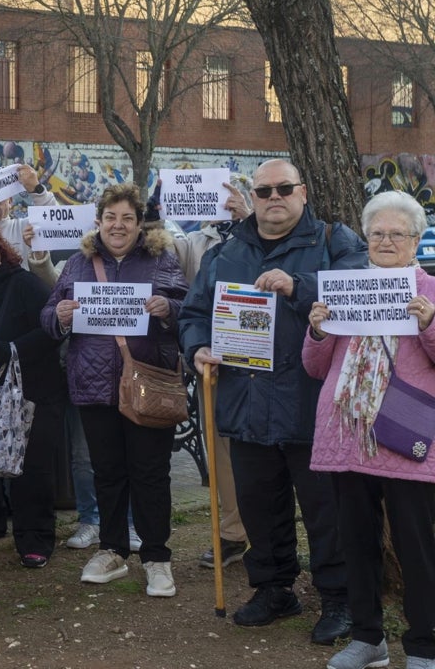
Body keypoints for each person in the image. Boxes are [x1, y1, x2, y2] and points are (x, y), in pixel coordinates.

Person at [180, 158, 366, 644]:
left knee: (328, 512)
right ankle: (273, 588)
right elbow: (195, 312)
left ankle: (339, 599)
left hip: (314, 405)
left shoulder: (334, 241)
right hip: (246, 404)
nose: (274, 198)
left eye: (284, 188)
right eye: (264, 191)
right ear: (254, 198)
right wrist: (197, 345)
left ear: (302, 193)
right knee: (260, 507)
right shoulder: (226, 252)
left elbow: (359, 295)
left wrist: (299, 287)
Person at [304, 191, 435, 669]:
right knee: (355, 543)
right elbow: (316, 367)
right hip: (347, 434)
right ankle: (368, 639)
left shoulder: (431, 292)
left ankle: (423, 645)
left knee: (416, 547)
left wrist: (430, 323)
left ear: (416, 240)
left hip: (405, 436)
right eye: (376, 233)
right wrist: (317, 330)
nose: (385, 240)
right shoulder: (346, 287)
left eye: (395, 233)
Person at [41, 183, 187, 597]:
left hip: (146, 384)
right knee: (107, 473)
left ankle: (157, 557)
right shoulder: (77, 264)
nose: (118, 226)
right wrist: (62, 315)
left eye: (127, 218)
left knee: (151, 474)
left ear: (140, 224)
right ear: (99, 221)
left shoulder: (162, 261)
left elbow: (187, 309)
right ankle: (112, 550)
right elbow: (48, 315)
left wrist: (167, 310)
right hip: (94, 386)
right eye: (110, 217)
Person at [145, 178, 251, 569]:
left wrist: (248, 221)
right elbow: (164, 251)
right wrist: (155, 210)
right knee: (222, 454)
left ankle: (271, 534)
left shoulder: (266, 228)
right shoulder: (196, 241)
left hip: (268, 365)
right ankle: (233, 532)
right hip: (218, 363)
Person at [0, 224, 68, 568]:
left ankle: (35, 539)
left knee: (32, 468)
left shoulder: (22, 283)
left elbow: (52, 330)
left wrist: (11, 349)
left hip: (34, 391)